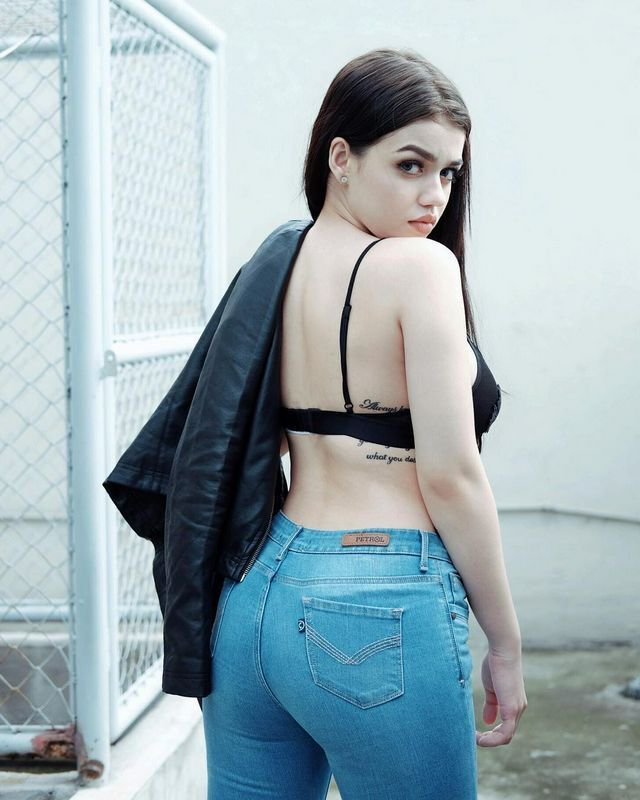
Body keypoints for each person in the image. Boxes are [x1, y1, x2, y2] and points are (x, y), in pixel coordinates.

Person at [200, 47, 527, 800]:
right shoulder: (418, 268)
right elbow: (450, 478)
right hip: (375, 599)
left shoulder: (274, 264)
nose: (434, 195)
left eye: (449, 172)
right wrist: (506, 642)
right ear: (341, 157)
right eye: (410, 165)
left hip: (253, 595)